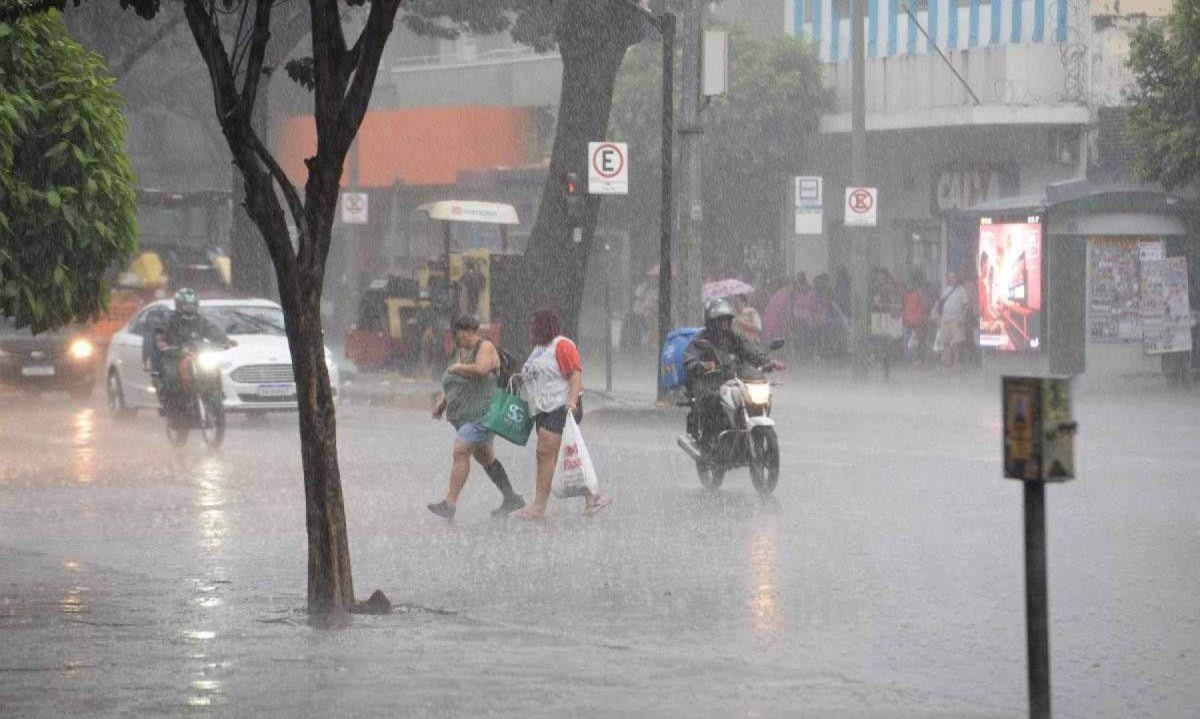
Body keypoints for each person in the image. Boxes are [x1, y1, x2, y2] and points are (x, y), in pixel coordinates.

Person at [512, 309, 611, 520]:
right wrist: (522, 378)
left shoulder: (562, 344)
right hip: (542, 409)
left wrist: (572, 402)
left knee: (545, 454)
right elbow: (541, 373)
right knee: (552, 457)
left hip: (560, 407)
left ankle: (538, 507)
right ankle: (593, 494)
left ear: (543, 326)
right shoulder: (539, 349)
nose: (530, 330)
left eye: (533, 325)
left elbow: (575, 373)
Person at [427, 314, 525, 520]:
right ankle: (511, 497)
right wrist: (442, 404)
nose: (459, 337)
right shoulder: (458, 351)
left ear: (472, 331)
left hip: (484, 414)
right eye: (457, 333)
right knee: (486, 458)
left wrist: (460, 367)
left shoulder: (485, 347)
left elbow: (480, 370)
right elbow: (453, 380)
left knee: (460, 451)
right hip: (463, 416)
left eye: (462, 333)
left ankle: (449, 504)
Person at [683, 299, 778, 451]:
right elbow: (689, 359)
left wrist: (767, 361)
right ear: (712, 322)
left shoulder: (735, 338)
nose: (725, 325)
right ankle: (709, 442)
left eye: (727, 320)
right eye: (721, 321)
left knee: (756, 398)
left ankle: (745, 434)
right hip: (710, 383)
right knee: (713, 401)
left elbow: (751, 351)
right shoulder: (701, 340)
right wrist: (702, 365)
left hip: (734, 381)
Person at [145, 288, 235, 412]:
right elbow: (161, 335)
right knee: (171, 377)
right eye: (187, 306)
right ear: (179, 306)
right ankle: (171, 406)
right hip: (175, 356)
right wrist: (163, 344)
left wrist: (226, 341)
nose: (190, 309)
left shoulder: (200, 320)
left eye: (192, 306)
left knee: (212, 371)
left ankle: (215, 396)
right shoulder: (170, 320)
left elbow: (212, 330)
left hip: (196, 356)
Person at [936, 271, 969, 368]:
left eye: (953, 277)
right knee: (946, 341)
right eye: (949, 277)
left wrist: (963, 317)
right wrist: (939, 317)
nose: (951, 279)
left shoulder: (961, 290)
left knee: (956, 342)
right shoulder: (945, 290)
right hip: (945, 319)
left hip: (956, 318)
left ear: (956, 278)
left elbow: (966, 305)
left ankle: (956, 362)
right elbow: (940, 304)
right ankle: (947, 361)